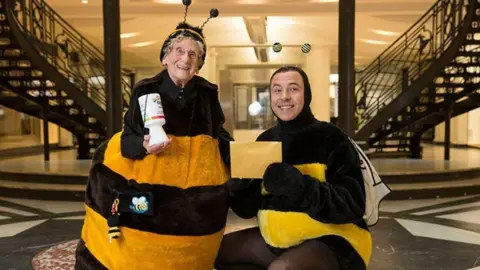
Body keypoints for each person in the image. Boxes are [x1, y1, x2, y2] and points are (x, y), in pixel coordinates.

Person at [75, 3, 233, 269]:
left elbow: (217, 133)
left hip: (195, 190)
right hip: (152, 182)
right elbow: (128, 140)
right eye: (179, 51)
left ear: (200, 63)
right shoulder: (146, 90)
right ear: (165, 57)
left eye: (194, 55)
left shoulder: (207, 94)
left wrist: (240, 158)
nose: (185, 59)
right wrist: (144, 146)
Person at [215, 66, 371, 270]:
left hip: (333, 239)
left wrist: (299, 187)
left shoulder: (331, 137)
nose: (284, 97)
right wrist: (239, 188)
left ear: (307, 95)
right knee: (213, 251)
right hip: (279, 239)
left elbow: (352, 205)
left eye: (293, 89)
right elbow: (247, 210)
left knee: (283, 269)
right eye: (277, 90)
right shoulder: (265, 140)